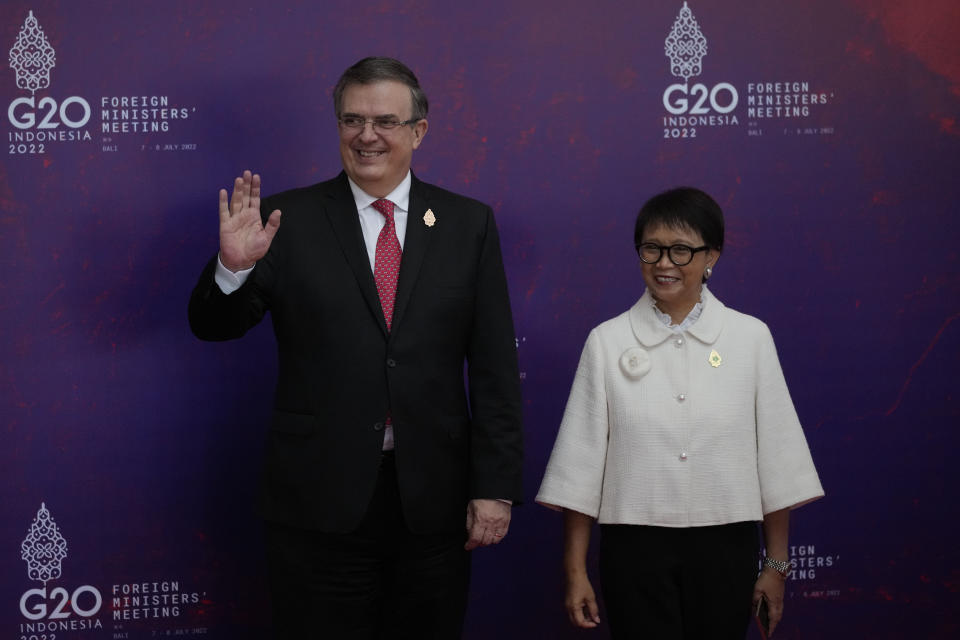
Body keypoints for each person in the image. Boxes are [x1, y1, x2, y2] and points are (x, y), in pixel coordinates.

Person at [188, 57, 523, 639]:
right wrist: (231, 268)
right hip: (317, 501)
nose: (367, 135)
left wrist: (494, 487)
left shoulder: (470, 225)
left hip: (432, 503)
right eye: (352, 120)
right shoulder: (284, 223)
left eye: (385, 121)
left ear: (419, 131)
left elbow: (494, 367)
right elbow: (215, 326)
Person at [536, 187, 823, 639]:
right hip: (633, 549)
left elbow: (778, 464)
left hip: (727, 545)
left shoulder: (750, 338)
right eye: (652, 248)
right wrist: (575, 571)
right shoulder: (606, 341)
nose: (664, 263)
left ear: (712, 256)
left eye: (682, 250)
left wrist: (777, 567)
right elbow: (580, 468)